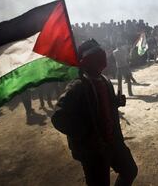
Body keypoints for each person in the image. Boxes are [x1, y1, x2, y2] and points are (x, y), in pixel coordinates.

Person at [52, 39, 138, 186]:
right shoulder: (77, 86)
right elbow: (58, 117)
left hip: (114, 142)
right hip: (93, 152)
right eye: (95, 54)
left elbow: (103, 106)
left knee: (130, 170)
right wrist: (87, 134)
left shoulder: (105, 80)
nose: (101, 56)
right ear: (86, 61)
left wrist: (116, 102)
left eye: (100, 51)